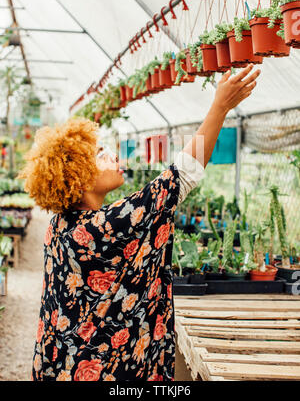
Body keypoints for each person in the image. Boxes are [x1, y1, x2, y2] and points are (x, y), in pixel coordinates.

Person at [19, 64, 260, 381]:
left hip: (64, 365)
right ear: (79, 178)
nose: (112, 156)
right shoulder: (105, 225)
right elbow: (181, 177)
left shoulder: (59, 225)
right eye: (100, 154)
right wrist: (220, 107)